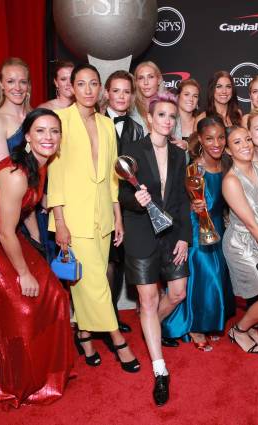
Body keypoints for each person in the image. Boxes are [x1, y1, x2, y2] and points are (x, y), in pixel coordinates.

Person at [0, 108, 75, 407]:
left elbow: (29, 209)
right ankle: (14, 384)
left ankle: (47, 373)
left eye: (54, 131)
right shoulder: (16, 174)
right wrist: (24, 272)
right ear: (27, 136)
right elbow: (6, 232)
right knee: (20, 307)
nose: (48, 137)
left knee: (55, 294)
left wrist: (38, 241)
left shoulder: (41, 164)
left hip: (6, 236)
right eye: (40, 131)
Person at [47, 64, 139, 373]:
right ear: (71, 88)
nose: (88, 89)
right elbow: (54, 176)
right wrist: (59, 221)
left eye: (93, 84)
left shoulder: (105, 124)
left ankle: (84, 334)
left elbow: (114, 176)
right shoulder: (59, 121)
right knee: (96, 282)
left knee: (88, 281)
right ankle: (118, 341)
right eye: (81, 84)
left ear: (100, 89)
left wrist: (118, 216)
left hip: (103, 215)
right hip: (73, 216)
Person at [118, 92, 191, 406]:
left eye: (171, 116)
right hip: (141, 235)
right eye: (161, 115)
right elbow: (120, 195)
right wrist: (136, 201)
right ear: (149, 118)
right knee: (148, 301)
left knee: (177, 293)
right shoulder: (133, 150)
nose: (167, 121)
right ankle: (160, 370)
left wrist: (185, 237)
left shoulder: (178, 154)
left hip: (172, 234)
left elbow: (182, 199)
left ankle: (151, 331)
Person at [161, 116, 235, 350]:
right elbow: (180, 202)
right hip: (196, 227)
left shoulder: (227, 163)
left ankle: (209, 321)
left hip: (219, 226)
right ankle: (193, 324)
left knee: (217, 274)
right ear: (200, 140)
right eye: (210, 138)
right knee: (205, 274)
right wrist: (193, 207)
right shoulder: (195, 168)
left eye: (221, 137)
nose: (217, 143)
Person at [222, 125, 258, 354]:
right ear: (228, 150)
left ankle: (248, 328)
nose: (245, 145)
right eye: (237, 142)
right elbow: (251, 224)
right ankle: (239, 329)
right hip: (243, 244)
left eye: (247, 139)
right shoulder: (231, 181)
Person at [102, 69, 146, 334]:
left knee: (118, 261)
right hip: (100, 203)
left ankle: (111, 315)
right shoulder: (94, 122)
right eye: (116, 90)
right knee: (103, 263)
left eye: (126, 91)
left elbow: (138, 171)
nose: (121, 96)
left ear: (132, 97)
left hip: (127, 204)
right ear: (106, 93)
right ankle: (101, 318)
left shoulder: (137, 129)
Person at [0, 58, 43, 248]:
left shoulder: (36, 116)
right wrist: (34, 230)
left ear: (28, 85)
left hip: (41, 206)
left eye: (23, 81)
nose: (17, 87)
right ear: (1, 84)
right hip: (19, 213)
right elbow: (8, 179)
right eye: (10, 81)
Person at [131, 61, 162, 135]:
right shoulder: (130, 109)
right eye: (141, 78)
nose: (146, 82)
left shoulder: (170, 106)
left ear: (159, 80)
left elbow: (177, 140)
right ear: (136, 82)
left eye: (150, 77)